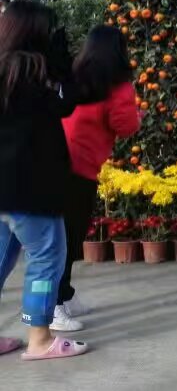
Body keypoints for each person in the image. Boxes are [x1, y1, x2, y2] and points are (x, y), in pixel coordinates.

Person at [0, 0, 87, 360]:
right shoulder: (33, 72)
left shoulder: (5, 68)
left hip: (4, 189)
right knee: (47, 258)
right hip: (31, 188)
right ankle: (39, 338)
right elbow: (66, 104)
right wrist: (63, 69)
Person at [58, 25, 140, 330]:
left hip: (56, 160)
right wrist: (137, 116)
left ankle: (64, 294)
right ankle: (54, 304)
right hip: (80, 168)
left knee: (63, 236)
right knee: (67, 239)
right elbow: (126, 126)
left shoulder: (74, 76)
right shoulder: (118, 86)